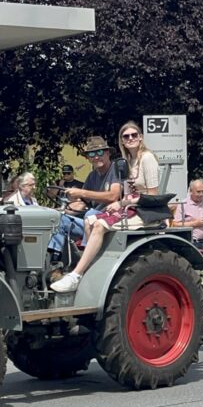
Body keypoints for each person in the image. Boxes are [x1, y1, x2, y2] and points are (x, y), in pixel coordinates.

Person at [52, 123, 159, 293]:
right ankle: (60, 266)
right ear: (121, 141)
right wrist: (69, 207)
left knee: (96, 221)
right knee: (83, 219)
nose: (130, 138)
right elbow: (123, 194)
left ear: (140, 137)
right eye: (126, 136)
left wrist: (121, 203)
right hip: (129, 208)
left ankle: (79, 274)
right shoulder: (128, 162)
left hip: (144, 211)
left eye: (134, 135)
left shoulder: (145, 158)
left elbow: (151, 195)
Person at [47, 136, 123, 262]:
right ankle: (54, 263)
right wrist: (67, 209)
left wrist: (82, 192)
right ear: (88, 158)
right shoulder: (92, 176)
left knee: (90, 214)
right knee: (60, 220)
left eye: (99, 152)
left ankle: (85, 261)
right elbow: (83, 202)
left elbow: (113, 196)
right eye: (92, 154)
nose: (96, 156)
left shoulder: (115, 170)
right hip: (93, 221)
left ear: (108, 153)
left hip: (112, 221)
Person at [174, 179, 203, 252]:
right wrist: (194, 224)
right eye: (198, 192)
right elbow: (175, 224)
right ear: (191, 191)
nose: (201, 194)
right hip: (193, 243)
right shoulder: (183, 204)